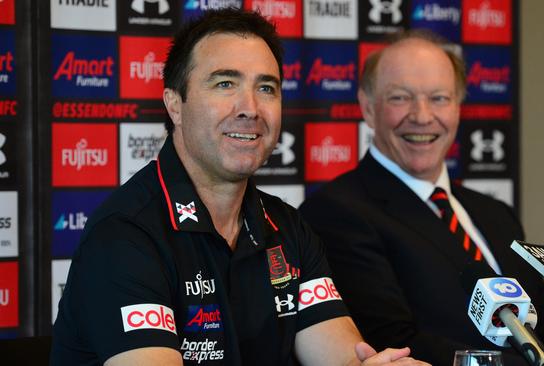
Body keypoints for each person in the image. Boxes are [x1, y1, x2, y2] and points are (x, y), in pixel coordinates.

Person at [50, 9, 429, 366]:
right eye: (225, 83)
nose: (250, 108)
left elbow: (343, 356)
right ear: (174, 104)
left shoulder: (288, 228)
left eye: (267, 88)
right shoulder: (126, 236)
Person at [299, 30, 544, 366]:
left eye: (439, 98)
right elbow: (395, 343)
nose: (422, 116)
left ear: (458, 106)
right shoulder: (337, 212)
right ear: (368, 107)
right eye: (400, 98)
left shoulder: (496, 215)